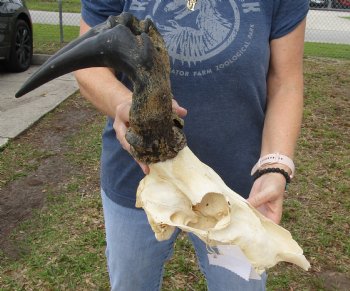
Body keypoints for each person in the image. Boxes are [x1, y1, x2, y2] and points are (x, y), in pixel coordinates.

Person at [74, 1, 309, 290]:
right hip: (137, 177)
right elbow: (89, 66)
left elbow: (285, 80)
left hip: (237, 191)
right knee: (131, 283)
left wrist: (275, 164)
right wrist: (122, 103)